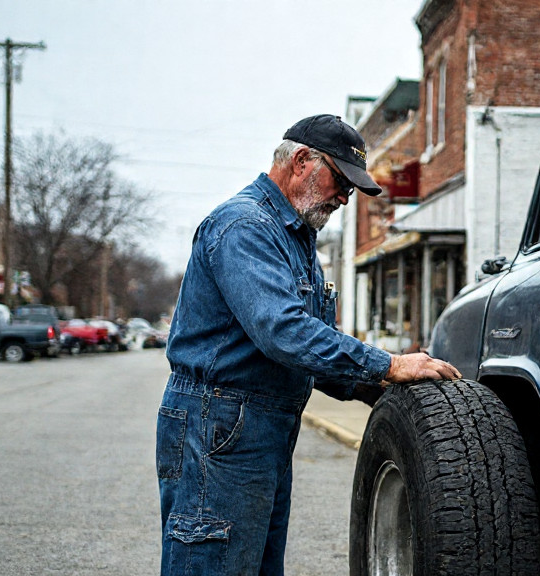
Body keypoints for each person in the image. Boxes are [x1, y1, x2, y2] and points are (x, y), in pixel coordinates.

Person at [157, 114, 461, 576]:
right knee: (214, 564)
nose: (344, 197)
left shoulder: (295, 237)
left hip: (259, 427)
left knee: (255, 566)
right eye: (340, 181)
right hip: (219, 422)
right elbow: (285, 333)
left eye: (351, 190)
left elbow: (311, 352)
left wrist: (380, 389)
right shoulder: (245, 227)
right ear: (301, 161)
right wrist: (389, 364)